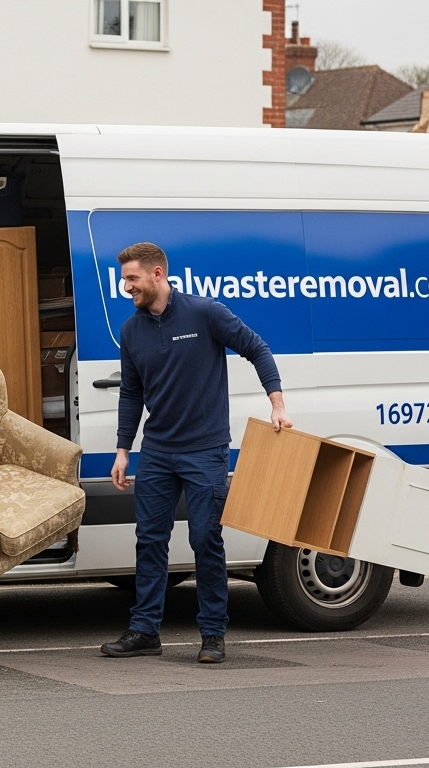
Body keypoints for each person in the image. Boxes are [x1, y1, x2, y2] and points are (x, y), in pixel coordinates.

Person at [100, 242, 291, 664]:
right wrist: (122, 450)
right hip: (158, 451)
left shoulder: (205, 313)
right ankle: (145, 631)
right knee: (150, 540)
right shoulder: (131, 331)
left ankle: (212, 634)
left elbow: (257, 349)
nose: (126, 286)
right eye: (124, 279)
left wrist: (277, 404)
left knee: (205, 539)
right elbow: (131, 393)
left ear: (157, 274)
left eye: (132, 278)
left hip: (205, 449)